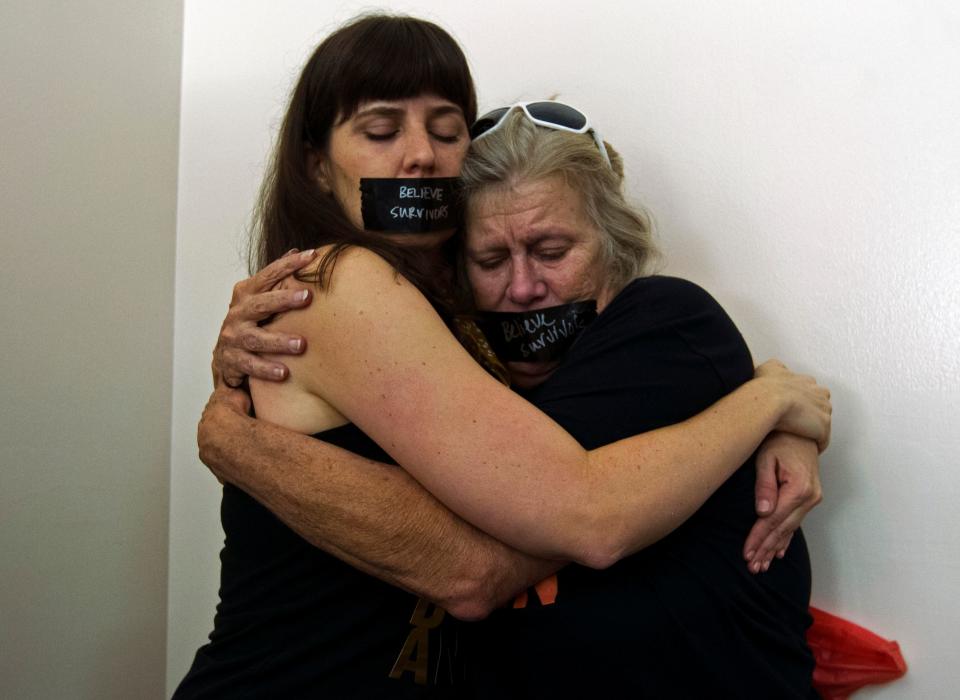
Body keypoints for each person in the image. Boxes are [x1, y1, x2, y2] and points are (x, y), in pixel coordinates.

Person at [180, 14, 829, 699]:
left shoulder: (466, 339)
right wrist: (766, 403)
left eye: (446, 129)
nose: (420, 156)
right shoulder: (344, 282)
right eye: (379, 130)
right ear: (315, 163)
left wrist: (772, 397)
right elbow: (494, 557)